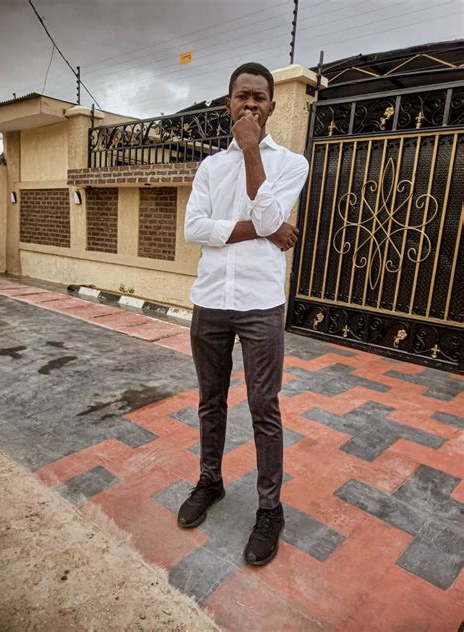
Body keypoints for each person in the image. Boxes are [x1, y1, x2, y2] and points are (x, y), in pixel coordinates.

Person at [178, 62, 309, 566]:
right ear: (228, 102)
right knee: (210, 402)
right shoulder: (210, 167)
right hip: (210, 301)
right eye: (242, 96)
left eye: (259, 97)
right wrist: (263, 229)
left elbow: (271, 214)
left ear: (271, 106)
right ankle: (210, 481)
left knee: (264, 408)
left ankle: (270, 509)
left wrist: (252, 150)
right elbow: (195, 229)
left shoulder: (292, 163)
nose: (250, 104)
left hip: (260, 305)